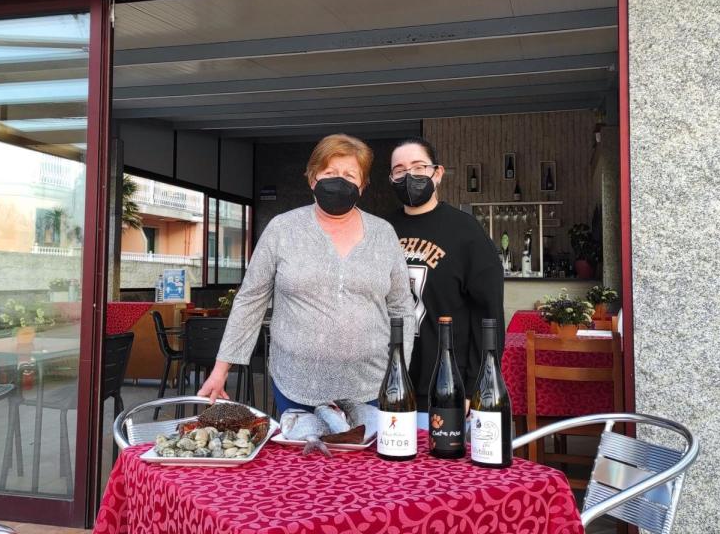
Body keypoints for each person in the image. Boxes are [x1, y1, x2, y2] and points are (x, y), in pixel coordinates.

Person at [198, 134, 415, 413]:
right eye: (330, 172)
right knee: (301, 457)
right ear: (312, 178)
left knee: (362, 458)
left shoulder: (383, 234)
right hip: (295, 383)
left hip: (372, 385)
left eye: (350, 174)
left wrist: (401, 369)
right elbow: (250, 299)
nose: (340, 181)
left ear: (363, 185)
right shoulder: (282, 229)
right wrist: (220, 370)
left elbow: (402, 307)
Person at [385, 136, 505, 428]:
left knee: (442, 473)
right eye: (399, 170)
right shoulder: (382, 231)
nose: (408, 176)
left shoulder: (466, 232)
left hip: (446, 387)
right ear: (391, 179)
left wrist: (475, 384)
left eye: (418, 167)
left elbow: (488, 313)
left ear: (437, 174)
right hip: (389, 386)